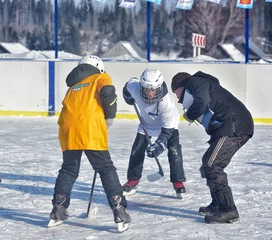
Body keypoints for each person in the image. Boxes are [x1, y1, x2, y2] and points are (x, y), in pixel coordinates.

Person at [49, 55, 131, 231]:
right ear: (99, 67)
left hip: (68, 130)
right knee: (105, 168)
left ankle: (59, 208)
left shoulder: (73, 86)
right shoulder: (100, 77)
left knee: (69, 169)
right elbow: (108, 93)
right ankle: (119, 208)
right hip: (90, 128)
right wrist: (109, 116)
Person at [171, 71, 254, 224]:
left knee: (212, 165)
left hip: (234, 126)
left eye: (176, 93)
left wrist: (189, 115)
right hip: (230, 126)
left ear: (180, 86)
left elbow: (201, 100)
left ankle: (228, 210)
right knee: (207, 162)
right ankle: (217, 203)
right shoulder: (201, 84)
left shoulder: (195, 82)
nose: (177, 99)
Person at [122, 69, 186, 197]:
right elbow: (128, 85)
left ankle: (178, 181)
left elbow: (167, 131)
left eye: (152, 89)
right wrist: (127, 96)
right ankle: (133, 180)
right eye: (145, 88)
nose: (149, 92)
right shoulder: (135, 88)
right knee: (137, 150)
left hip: (168, 126)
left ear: (159, 87)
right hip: (146, 125)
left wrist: (158, 146)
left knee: (174, 150)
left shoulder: (166, 103)